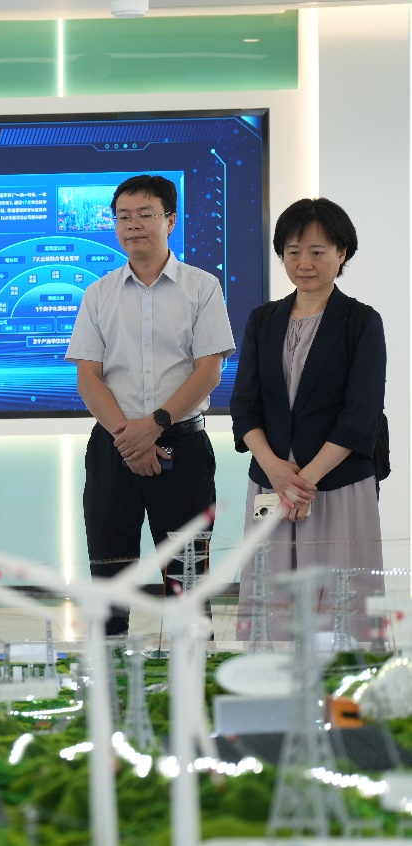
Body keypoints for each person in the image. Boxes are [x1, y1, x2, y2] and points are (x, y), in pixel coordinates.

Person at [65, 174, 235, 637]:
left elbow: (208, 370)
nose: (132, 225)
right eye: (123, 217)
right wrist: (130, 439)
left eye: (145, 215)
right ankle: (107, 675)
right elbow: (88, 377)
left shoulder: (202, 287)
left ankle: (191, 673)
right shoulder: (99, 293)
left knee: (188, 581)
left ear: (170, 221)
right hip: (113, 449)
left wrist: (154, 425)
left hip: (183, 449)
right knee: (109, 578)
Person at [230, 198, 385, 642]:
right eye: (293, 252)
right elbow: (245, 405)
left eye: (318, 252)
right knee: (272, 603)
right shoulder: (263, 319)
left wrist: (303, 483)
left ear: (342, 253)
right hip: (271, 483)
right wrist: (278, 474)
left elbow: (361, 415)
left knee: (340, 607)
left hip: (336, 485)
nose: (304, 263)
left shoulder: (361, 321)